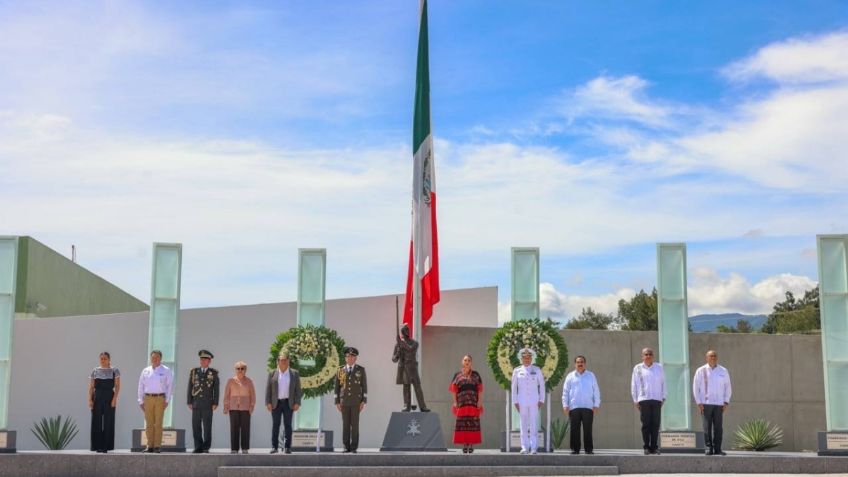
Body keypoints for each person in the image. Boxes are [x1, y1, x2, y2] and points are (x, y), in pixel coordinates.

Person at [693, 350, 732, 456]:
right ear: (706, 358)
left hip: (719, 404)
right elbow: (696, 387)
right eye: (710, 356)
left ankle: (718, 449)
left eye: (714, 356)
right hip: (705, 404)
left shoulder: (723, 371)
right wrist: (698, 402)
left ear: (717, 357)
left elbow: (728, 387)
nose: (713, 358)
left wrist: (726, 402)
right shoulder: (701, 370)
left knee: (718, 428)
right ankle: (709, 448)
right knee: (707, 427)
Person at [561, 355, 600, 455]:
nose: (580, 364)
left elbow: (596, 391)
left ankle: (588, 449)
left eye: (582, 362)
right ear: (575, 364)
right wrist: (565, 404)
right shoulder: (570, 376)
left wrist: (596, 404)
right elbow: (565, 391)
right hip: (574, 407)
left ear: (585, 363)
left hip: (588, 406)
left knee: (588, 429)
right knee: (574, 429)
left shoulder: (591, 375)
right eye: (578, 362)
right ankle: (575, 449)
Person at [137, 349, 174, 453]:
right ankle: (149, 446)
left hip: (160, 398)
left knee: (158, 423)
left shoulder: (166, 370)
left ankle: (157, 446)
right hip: (148, 398)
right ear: (150, 358)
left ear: (161, 358)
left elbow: (169, 386)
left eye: (157, 357)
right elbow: (141, 386)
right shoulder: (145, 371)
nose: (154, 359)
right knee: (149, 423)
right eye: (153, 357)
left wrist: (167, 400)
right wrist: (140, 400)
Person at [265, 352, 302, 454]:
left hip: (288, 403)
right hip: (275, 403)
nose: (283, 362)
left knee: (288, 425)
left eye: (285, 360)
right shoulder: (272, 373)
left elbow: (298, 390)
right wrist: (268, 402)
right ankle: (274, 447)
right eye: (281, 360)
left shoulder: (294, 373)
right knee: (275, 425)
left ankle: (287, 447)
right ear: (278, 361)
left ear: (288, 361)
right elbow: (268, 389)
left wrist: (297, 402)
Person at [631, 347, 666, 455]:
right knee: (646, 424)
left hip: (656, 399)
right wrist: (635, 399)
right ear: (642, 356)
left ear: (653, 356)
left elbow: (663, 382)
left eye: (650, 354)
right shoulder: (637, 368)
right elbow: (634, 384)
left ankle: (654, 447)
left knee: (655, 425)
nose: (648, 356)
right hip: (644, 399)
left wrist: (663, 397)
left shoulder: (659, 367)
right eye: (646, 354)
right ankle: (646, 447)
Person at [511, 348, 545, 454]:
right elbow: (514, 387)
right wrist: (515, 401)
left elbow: (542, 386)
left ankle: (534, 447)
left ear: (531, 358)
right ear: (521, 359)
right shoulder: (517, 371)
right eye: (524, 358)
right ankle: (524, 447)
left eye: (528, 358)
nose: (526, 360)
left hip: (534, 401)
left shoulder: (537, 370)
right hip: (522, 401)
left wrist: (541, 400)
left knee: (534, 424)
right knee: (523, 424)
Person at [334, 347, 367, 453]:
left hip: (356, 402)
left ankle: (354, 447)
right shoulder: (340, 370)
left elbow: (364, 386)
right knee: (345, 425)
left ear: (356, 358)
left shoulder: (360, 370)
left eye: (353, 357)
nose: (350, 358)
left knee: (355, 425)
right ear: (345, 358)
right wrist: (337, 402)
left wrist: (363, 401)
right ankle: (345, 446)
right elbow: (337, 387)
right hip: (344, 402)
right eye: (348, 356)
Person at [449, 354, 483, 454]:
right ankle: (464, 445)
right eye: (465, 360)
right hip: (462, 403)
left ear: (471, 362)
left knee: (473, 424)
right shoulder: (457, 375)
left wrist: (479, 401)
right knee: (462, 424)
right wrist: (455, 402)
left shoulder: (476, 375)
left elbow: (480, 389)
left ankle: (471, 444)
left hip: (473, 403)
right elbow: (454, 390)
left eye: (468, 360)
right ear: (462, 362)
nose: (467, 362)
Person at [187, 349, 220, 453]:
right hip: (196, 403)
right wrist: (189, 401)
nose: (203, 361)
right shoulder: (194, 372)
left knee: (207, 426)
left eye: (205, 360)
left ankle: (206, 447)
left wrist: (215, 402)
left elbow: (216, 389)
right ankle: (198, 446)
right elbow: (190, 387)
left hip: (207, 404)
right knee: (196, 426)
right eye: (201, 359)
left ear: (209, 361)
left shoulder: (213, 373)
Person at [392, 323, 430, 412]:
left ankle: (423, 406)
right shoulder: (398, 345)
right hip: (404, 368)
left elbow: (410, 349)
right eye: (405, 330)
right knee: (406, 388)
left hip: (412, 368)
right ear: (402, 332)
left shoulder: (415, 343)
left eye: (408, 330)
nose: (407, 331)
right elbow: (394, 359)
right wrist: (398, 352)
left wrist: (401, 343)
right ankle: (407, 406)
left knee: (417, 387)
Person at [89, 351, 120, 453]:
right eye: (101, 358)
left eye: (105, 358)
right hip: (97, 397)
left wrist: (114, 399)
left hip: (109, 397)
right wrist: (90, 399)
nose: (103, 360)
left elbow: (117, 386)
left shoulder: (114, 370)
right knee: (96, 421)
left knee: (108, 421)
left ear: (109, 359)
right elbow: (91, 386)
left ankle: (106, 446)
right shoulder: (95, 370)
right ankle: (97, 446)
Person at [223, 361, 256, 454]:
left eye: (242, 368)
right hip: (233, 407)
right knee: (234, 428)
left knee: (245, 428)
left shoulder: (249, 381)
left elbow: (253, 395)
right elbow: (226, 395)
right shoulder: (230, 381)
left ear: (245, 370)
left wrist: (252, 406)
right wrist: (226, 406)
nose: (240, 370)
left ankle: (245, 448)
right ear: (235, 370)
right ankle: (234, 448)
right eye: (238, 368)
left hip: (245, 408)